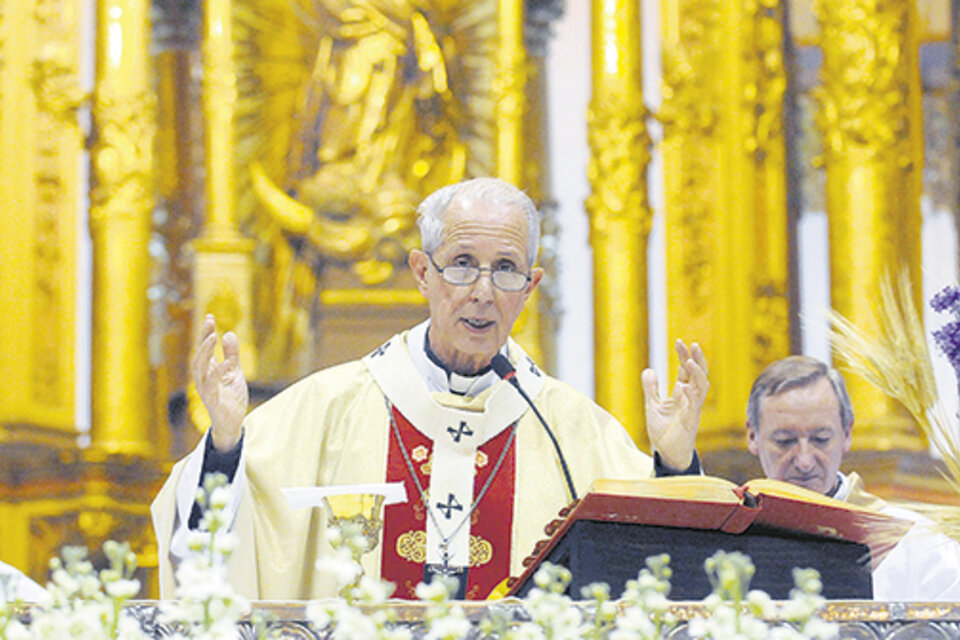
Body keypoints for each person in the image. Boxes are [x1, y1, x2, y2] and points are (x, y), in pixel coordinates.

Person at [151, 177, 709, 600]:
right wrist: (224, 443)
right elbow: (211, 533)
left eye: (507, 269)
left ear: (531, 285)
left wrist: (676, 463)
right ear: (422, 272)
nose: (483, 292)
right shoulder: (330, 407)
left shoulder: (570, 431)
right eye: (462, 265)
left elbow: (662, 574)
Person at [745, 355, 960, 601]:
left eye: (821, 439)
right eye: (785, 441)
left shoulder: (919, 546)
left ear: (847, 433)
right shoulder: (729, 543)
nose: (804, 461)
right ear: (752, 436)